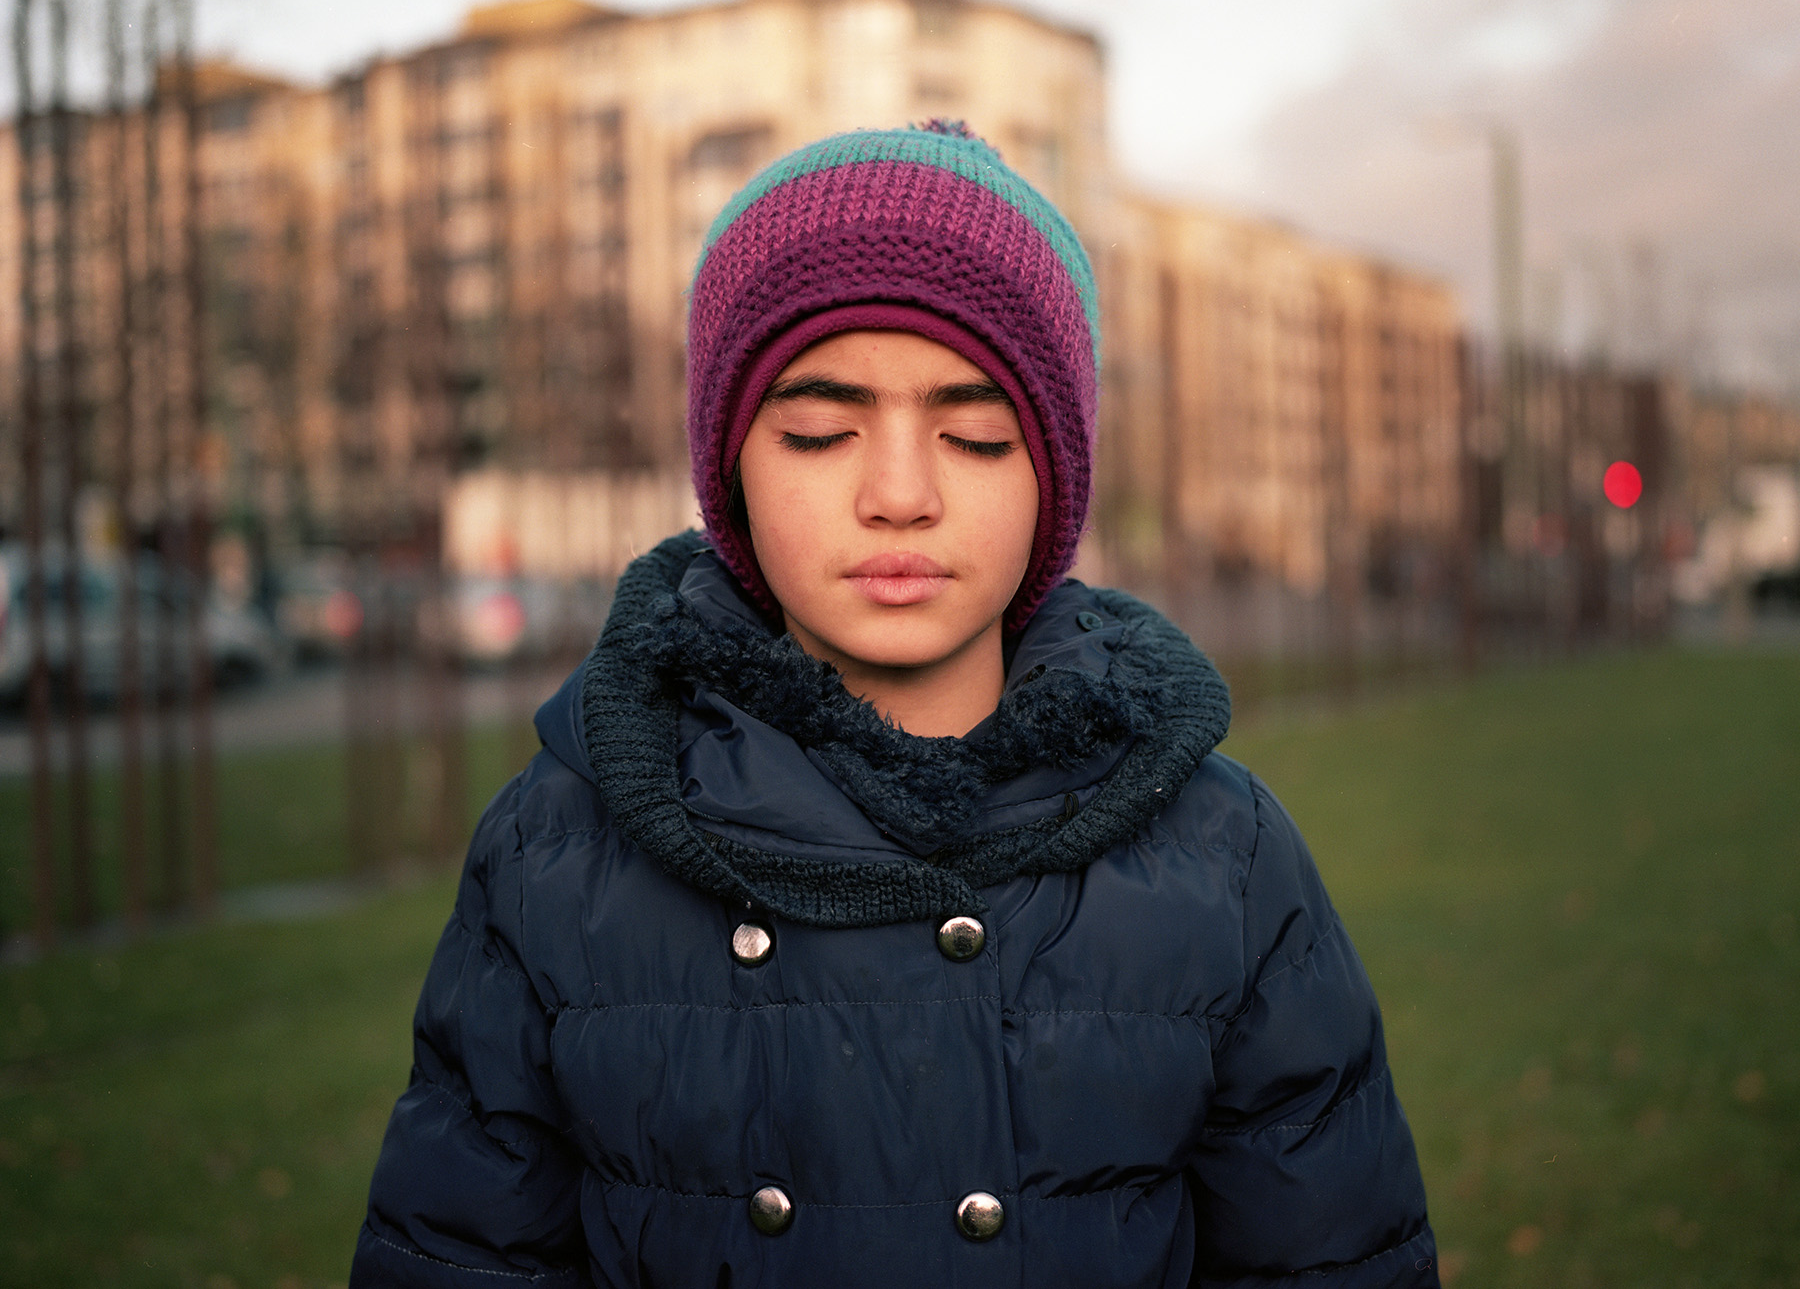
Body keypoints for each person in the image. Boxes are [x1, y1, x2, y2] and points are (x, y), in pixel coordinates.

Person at [349, 121, 1439, 1287]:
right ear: (730, 468)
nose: (901, 494)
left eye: (975, 435)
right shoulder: (555, 852)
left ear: (1054, 476)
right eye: (821, 432)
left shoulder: (1224, 856)